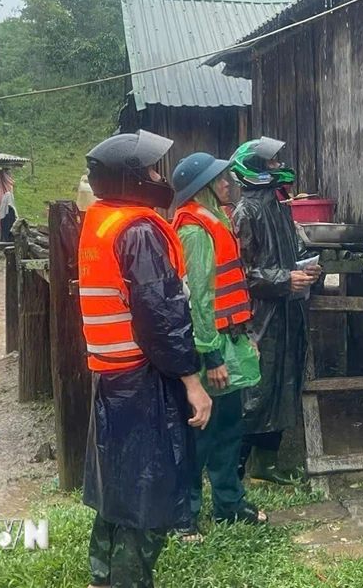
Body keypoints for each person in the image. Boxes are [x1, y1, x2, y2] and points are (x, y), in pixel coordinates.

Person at [78, 130, 213, 588]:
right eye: (153, 169)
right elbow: (162, 317)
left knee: (116, 487)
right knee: (146, 491)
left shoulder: (101, 221)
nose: (159, 176)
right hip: (141, 378)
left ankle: (102, 577)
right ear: (132, 178)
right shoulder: (138, 231)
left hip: (110, 376)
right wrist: (192, 381)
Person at [171, 152, 266, 526]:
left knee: (229, 427)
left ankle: (229, 504)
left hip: (230, 338)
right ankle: (186, 514)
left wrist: (244, 337)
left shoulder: (217, 222)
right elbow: (197, 300)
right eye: (221, 178)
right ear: (204, 188)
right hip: (209, 346)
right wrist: (211, 358)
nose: (228, 182)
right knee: (201, 434)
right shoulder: (194, 231)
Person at [229, 137, 321, 485]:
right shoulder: (245, 213)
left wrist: (306, 269)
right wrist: (285, 279)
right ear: (253, 170)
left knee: (285, 385)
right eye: (270, 163)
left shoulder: (281, 207)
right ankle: (234, 470)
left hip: (288, 312)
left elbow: (290, 255)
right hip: (260, 316)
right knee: (256, 391)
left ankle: (267, 465)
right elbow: (241, 274)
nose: (277, 166)